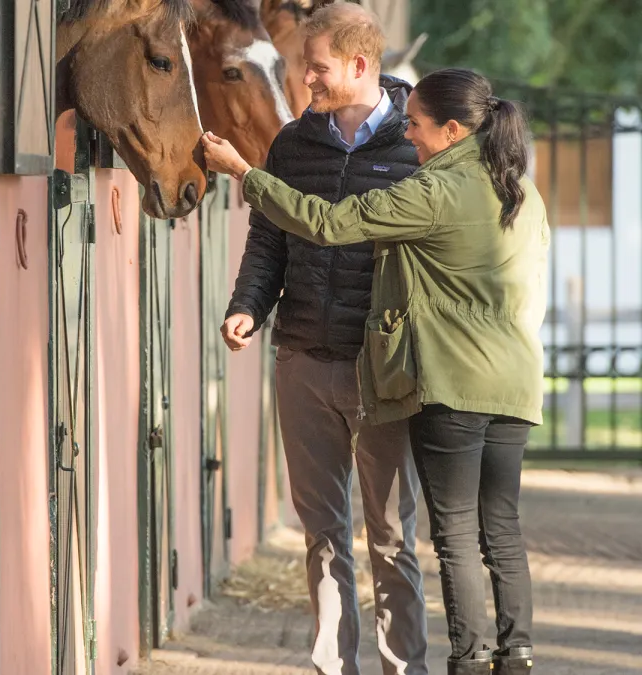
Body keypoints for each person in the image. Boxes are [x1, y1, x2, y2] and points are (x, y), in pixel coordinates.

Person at [202, 66, 546, 675]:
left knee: (454, 535)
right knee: (502, 529)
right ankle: (515, 657)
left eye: (416, 125)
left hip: (452, 385)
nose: (408, 136)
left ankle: (469, 661)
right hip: (515, 382)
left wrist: (243, 173)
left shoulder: (433, 190)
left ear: (451, 130)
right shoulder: (521, 189)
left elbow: (329, 223)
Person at [221, 4, 429, 674]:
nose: (304, 79)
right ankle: (333, 665)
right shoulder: (292, 144)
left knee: (392, 537)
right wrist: (248, 307)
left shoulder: (416, 145)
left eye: (316, 68)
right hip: (303, 359)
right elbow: (267, 240)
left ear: (359, 65)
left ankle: (405, 666)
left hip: (383, 371)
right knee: (323, 534)